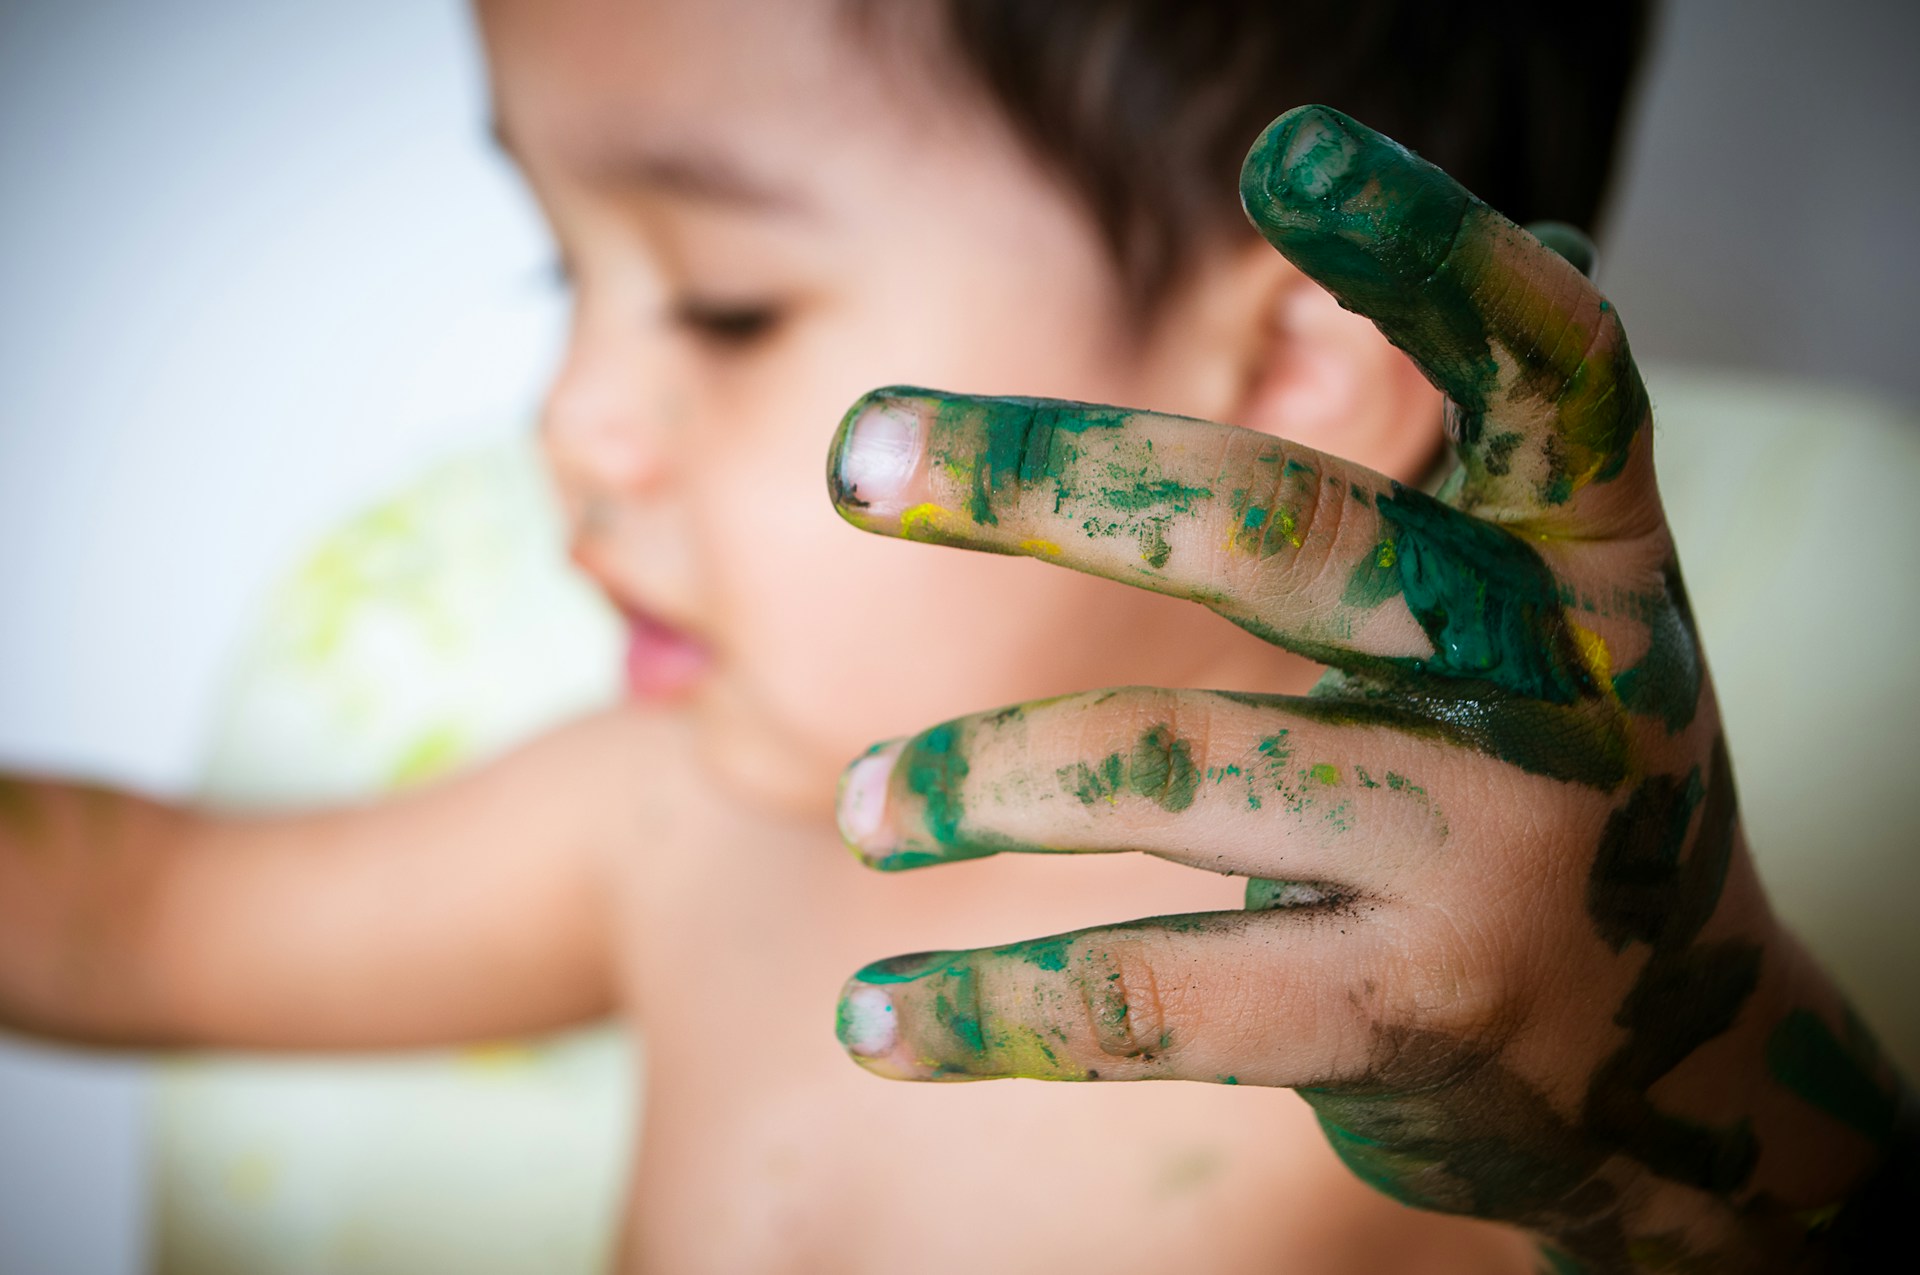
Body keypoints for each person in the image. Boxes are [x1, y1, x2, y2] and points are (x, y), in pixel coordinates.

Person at [0, 0, 1907, 1270]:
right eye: (559, 267)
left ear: (1291, 362)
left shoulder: (1454, 1001)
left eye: (727, 306)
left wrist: (1679, 1097)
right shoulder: (669, 822)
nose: (567, 422)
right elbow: (126, 919)